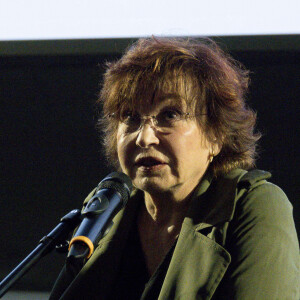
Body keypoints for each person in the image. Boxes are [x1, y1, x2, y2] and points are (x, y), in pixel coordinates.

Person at [50, 37, 299, 299]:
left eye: (170, 115)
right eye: (130, 117)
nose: (144, 137)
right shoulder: (109, 209)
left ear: (216, 134)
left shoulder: (253, 205)